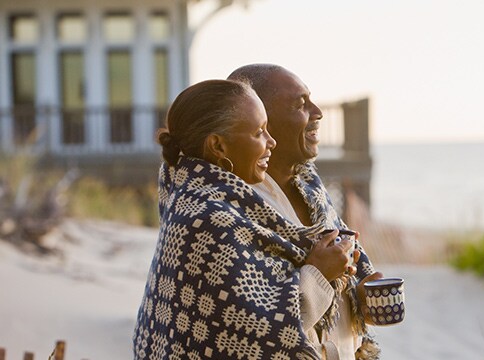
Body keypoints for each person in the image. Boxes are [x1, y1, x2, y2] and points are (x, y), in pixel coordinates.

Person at [133, 79, 355, 359]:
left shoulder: (211, 201)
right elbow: (261, 334)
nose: (270, 142)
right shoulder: (209, 219)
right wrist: (319, 273)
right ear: (218, 145)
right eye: (259, 132)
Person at [228, 64, 383, 360]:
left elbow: (340, 278)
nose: (317, 112)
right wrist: (319, 274)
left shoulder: (311, 186)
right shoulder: (230, 208)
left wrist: (357, 295)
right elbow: (250, 329)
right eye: (300, 104)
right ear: (258, 120)